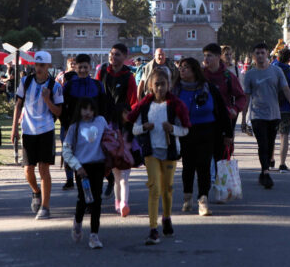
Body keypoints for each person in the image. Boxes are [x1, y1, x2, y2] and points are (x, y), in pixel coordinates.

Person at [127, 69, 190, 245]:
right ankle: (153, 229)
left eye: (163, 84)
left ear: (169, 85)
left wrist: (172, 129)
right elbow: (134, 129)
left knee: (167, 189)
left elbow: (185, 129)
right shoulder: (144, 106)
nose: (160, 88)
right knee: (154, 188)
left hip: (169, 151)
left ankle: (167, 217)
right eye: (157, 84)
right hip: (151, 152)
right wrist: (144, 127)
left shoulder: (175, 105)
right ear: (150, 86)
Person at [173, 57, 233, 216]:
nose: (182, 70)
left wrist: (228, 133)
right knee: (188, 166)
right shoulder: (176, 89)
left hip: (207, 131)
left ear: (194, 70)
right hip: (184, 132)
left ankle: (203, 200)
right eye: (180, 67)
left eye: (186, 67)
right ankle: (187, 197)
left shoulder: (209, 88)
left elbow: (221, 111)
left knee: (204, 166)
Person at [10, 51, 63, 220]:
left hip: (46, 129)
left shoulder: (55, 86)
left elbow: (59, 112)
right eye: (36, 65)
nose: (38, 68)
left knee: (44, 169)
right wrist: (14, 129)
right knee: (28, 170)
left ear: (48, 66)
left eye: (42, 65)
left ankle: (45, 207)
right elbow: (18, 105)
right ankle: (36, 192)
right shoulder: (26, 81)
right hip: (28, 130)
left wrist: (48, 100)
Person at [242, 42, 290, 189]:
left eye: (262, 52)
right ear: (254, 56)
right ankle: (265, 172)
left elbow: (286, 89)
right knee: (262, 144)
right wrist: (243, 118)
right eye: (257, 53)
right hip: (257, 114)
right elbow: (246, 97)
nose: (260, 55)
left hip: (274, 114)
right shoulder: (250, 74)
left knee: (270, 143)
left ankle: (264, 170)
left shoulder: (276, 71)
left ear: (267, 54)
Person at [95, 43, 138, 217]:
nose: (113, 57)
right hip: (104, 122)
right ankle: (116, 199)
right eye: (111, 54)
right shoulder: (102, 72)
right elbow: (96, 93)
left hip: (122, 124)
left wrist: (130, 119)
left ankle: (123, 203)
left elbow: (134, 101)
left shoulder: (129, 76)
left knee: (123, 164)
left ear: (125, 56)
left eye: (117, 54)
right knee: (108, 163)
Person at [62, 97, 108, 249]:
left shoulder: (101, 121)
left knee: (96, 201)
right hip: (82, 168)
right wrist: (77, 166)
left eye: (90, 109)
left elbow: (109, 139)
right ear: (79, 110)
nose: (87, 113)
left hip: (98, 165)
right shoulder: (75, 127)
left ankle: (94, 235)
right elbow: (66, 151)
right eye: (84, 109)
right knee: (83, 199)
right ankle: (77, 222)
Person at [62, 54, 107, 190]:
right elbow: (63, 108)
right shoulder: (69, 86)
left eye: (85, 67)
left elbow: (103, 108)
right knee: (74, 157)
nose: (82, 70)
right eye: (79, 67)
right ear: (75, 67)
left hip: (94, 127)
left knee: (93, 157)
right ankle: (78, 187)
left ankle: (97, 188)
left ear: (90, 67)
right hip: (73, 127)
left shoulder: (97, 85)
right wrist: (66, 126)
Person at [202, 43, 247, 133]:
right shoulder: (199, 75)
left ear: (218, 57)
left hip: (223, 119)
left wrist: (235, 109)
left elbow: (241, 96)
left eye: (209, 56)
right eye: (205, 56)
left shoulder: (228, 76)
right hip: (202, 120)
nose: (206, 59)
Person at [272, 48, 290, 173]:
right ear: (289, 59)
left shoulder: (270, 69)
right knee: (284, 136)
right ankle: (282, 163)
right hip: (285, 109)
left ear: (277, 57)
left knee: (271, 135)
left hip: (271, 108)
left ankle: (270, 158)